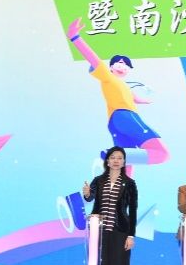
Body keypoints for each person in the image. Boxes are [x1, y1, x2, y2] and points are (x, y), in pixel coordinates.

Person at [66, 18, 170, 174]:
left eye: (126, 65)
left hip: (115, 124)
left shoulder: (123, 85)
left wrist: (141, 100)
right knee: (162, 154)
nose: (123, 67)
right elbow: (94, 60)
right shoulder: (108, 77)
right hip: (125, 116)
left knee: (127, 169)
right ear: (111, 67)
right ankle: (112, 155)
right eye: (119, 63)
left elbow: (132, 96)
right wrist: (75, 37)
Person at [82, 146, 138, 265]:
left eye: (119, 158)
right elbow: (90, 198)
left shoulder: (129, 183)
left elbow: (133, 211)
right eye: (113, 157)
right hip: (99, 232)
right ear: (107, 161)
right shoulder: (98, 180)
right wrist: (87, 194)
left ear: (124, 161)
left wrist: (131, 235)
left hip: (120, 232)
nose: (116, 160)